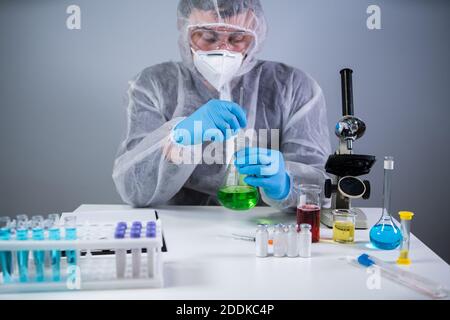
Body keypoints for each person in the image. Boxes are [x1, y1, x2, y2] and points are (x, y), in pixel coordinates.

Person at [112, 0, 331, 212]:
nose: (223, 49)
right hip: (180, 231)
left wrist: (286, 185)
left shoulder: (293, 87)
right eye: (208, 36)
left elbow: (321, 188)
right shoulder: (153, 86)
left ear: (256, 34)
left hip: (266, 230)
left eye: (237, 38)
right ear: (185, 29)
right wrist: (178, 138)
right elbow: (134, 190)